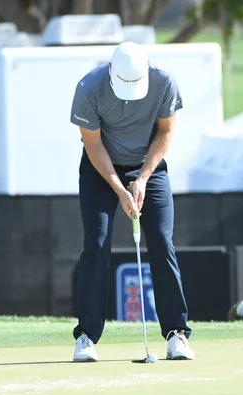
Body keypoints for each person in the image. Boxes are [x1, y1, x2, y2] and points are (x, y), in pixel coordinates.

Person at [69, 42, 194, 362]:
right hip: (101, 170)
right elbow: (93, 146)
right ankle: (86, 336)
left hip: (148, 167)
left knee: (163, 242)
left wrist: (141, 179)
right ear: (110, 70)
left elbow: (166, 132)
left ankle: (176, 333)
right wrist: (120, 189)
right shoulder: (88, 88)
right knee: (96, 245)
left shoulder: (165, 82)